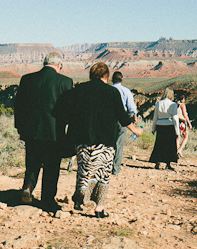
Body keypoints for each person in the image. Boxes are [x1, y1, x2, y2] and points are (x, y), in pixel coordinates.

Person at [57, 62, 142, 218]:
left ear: (91, 75)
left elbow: (65, 111)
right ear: (106, 76)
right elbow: (122, 116)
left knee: (84, 170)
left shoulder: (79, 90)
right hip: (106, 141)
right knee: (103, 173)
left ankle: (80, 200)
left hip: (82, 138)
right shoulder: (112, 92)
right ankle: (99, 208)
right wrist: (135, 130)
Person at [13, 52, 73, 210]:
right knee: (52, 166)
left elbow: (18, 106)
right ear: (59, 65)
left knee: (32, 163)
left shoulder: (27, 79)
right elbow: (68, 109)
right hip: (54, 133)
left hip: (31, 132)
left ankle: (27, 188)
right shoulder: (65, 82)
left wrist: (20, 128)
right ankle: (47, 199)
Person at [111, 71, 138, 175]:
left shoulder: (109, 90)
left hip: (110, 118)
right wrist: (134, 116)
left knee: (109, 143)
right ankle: (115, 169)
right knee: (119, 144)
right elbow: (131, 106)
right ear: (121, 79)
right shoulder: (126, 91)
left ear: (112, 79)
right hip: (122, 119)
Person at [149, 87, 179, 170]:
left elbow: (155, 116)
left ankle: (157, 162)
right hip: (170, 126)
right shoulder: (173, 104)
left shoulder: (158, 103)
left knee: (159, 144)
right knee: (169, 145)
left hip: (160, 125)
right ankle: (168, 163)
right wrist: (178, 132)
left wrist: (153, 128)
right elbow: (175, 118)